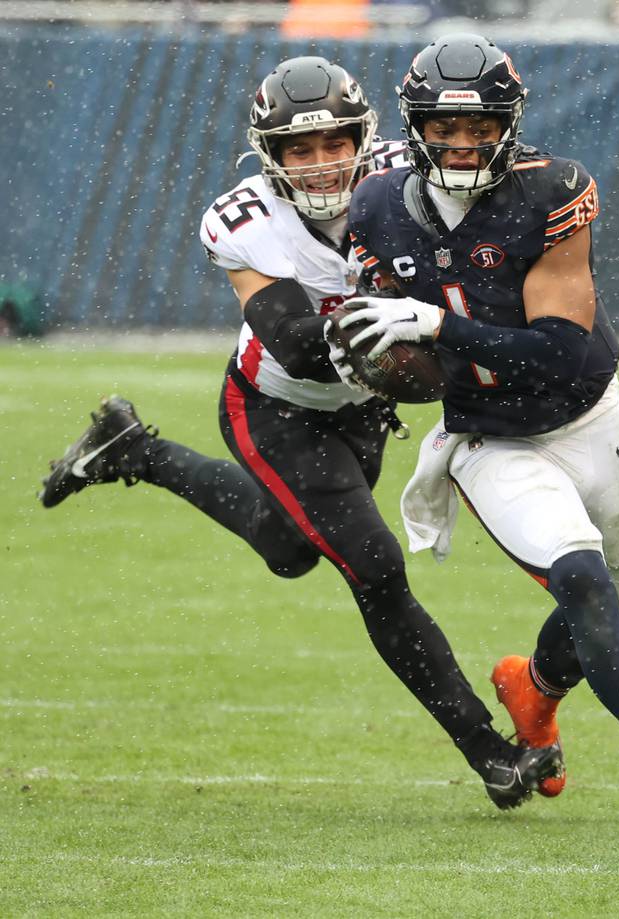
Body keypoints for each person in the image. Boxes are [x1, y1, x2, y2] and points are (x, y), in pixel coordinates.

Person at [39, 56, 561, 810]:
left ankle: (135, 449)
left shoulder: (406, 175)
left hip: (361, 409)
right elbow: (295, 341)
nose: (321, 164)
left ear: (366, 138)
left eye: (334, 143)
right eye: (299, 149)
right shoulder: (243, 222)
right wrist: (409, 344)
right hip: (275, 406)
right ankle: (487, 748)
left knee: (289, 550)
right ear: (270, 156)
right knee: (374, 566)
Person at [340, 33, 619, 839]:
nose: (461, 145)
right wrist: (374, 361)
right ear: (415, 129)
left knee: (611, 604)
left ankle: (534, 688)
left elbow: (558, 351)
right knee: (586, 587)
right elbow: (366, 328)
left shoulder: (550, 191)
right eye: (444, 129)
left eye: (479, 127)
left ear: (509, 125)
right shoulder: (377, 205)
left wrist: (437, 323)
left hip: (590, 416)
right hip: (492, 443)